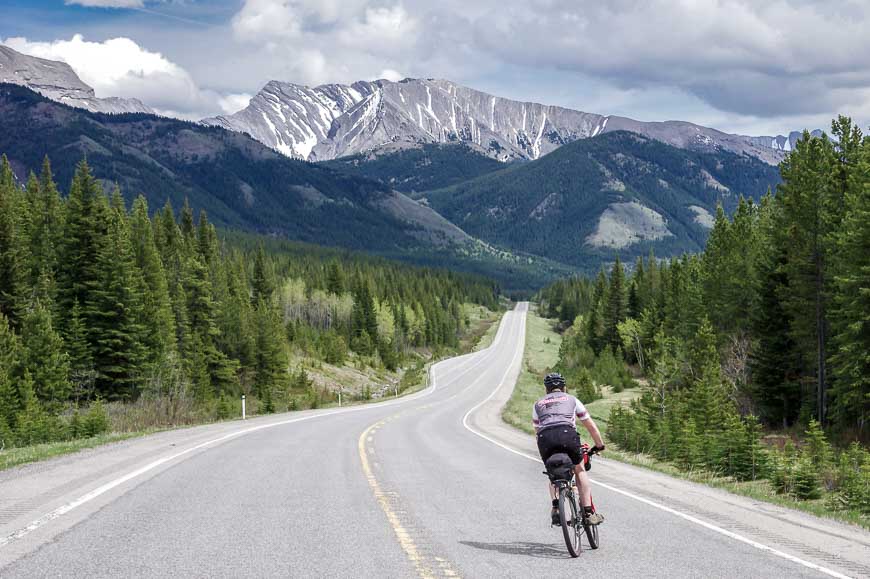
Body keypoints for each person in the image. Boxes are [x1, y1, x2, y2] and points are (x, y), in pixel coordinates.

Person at [533, 372, 605, 526]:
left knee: (553, 473)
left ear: (546, 389)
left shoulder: (538, 404)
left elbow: (537, 430)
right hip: (567, 435)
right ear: (564, 387)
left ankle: (556, 508)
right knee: (579, 470)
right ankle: (587, 512)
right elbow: (590, 426)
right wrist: (600, 444)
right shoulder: (572, 400)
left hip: (545, 439)